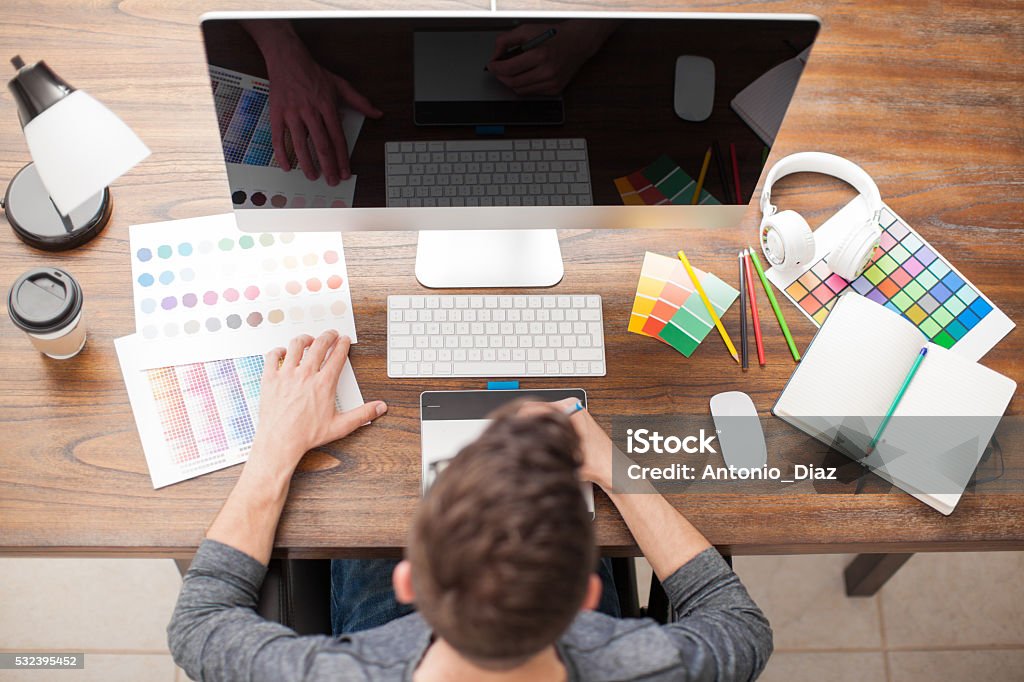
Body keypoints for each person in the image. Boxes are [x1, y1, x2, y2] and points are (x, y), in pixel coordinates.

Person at [168, 330, 773, 681]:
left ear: (407, 578)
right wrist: (616, 469)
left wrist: (276, 447)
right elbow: (738, 625)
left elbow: (199, 625)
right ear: (589, 598)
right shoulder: (647, 667)